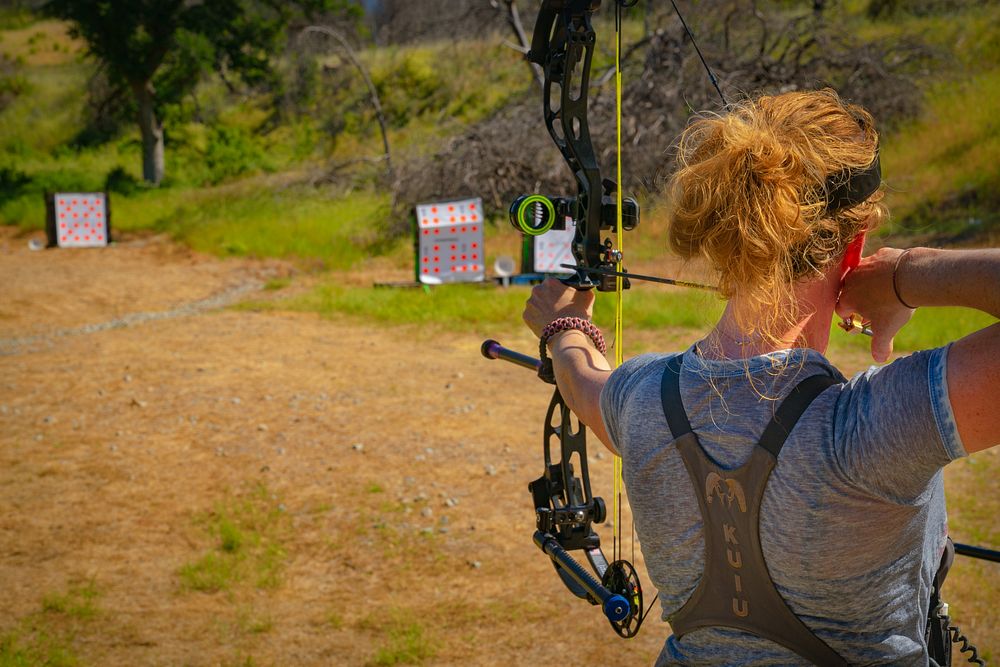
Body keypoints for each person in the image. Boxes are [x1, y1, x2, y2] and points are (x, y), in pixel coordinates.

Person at [521, 89, 999, 666]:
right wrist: (906, 278)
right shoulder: (873, 427)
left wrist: (563, 327)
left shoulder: (642, 399)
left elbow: (580, 380)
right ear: (858, 242)